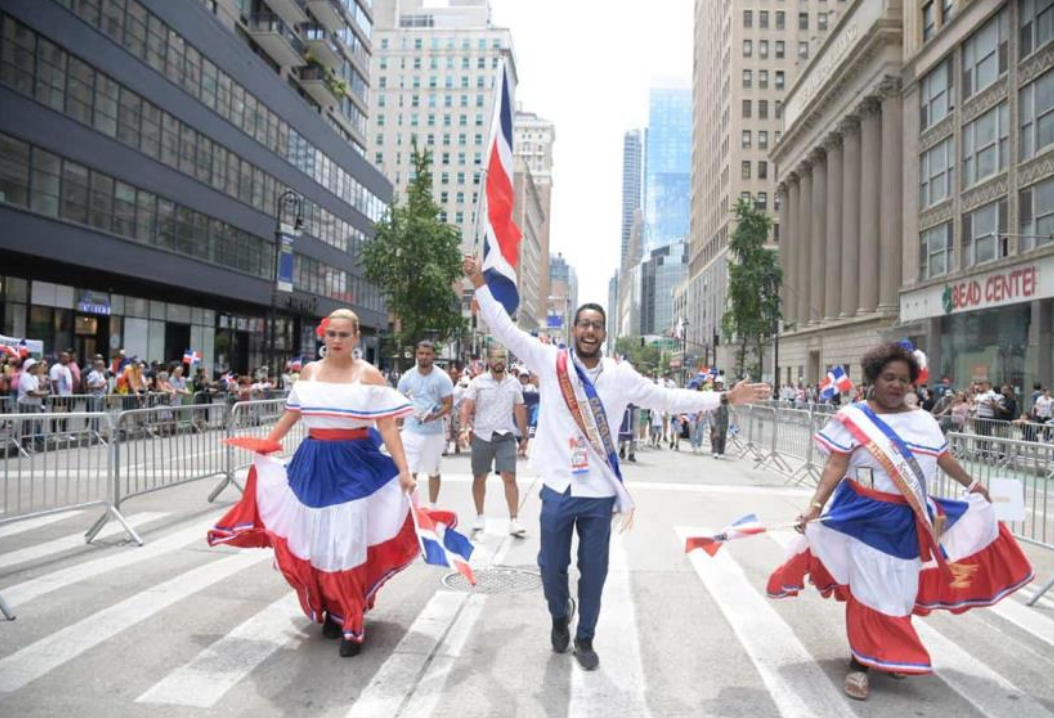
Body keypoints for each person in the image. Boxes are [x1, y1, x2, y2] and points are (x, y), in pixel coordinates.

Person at [463, 256, 771, 671]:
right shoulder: (548, 362)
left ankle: (585, 636)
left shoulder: (621, 375)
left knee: (595, 570)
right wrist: (480, 282)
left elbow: (667, 398)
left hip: (598, 493)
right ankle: (560, 614)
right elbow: (503, 326)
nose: (590, 331)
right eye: (583, 324)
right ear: (573, 330)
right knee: (551, 566)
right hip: (557, 485)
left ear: (605, 333)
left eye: (597, 325)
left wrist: (723, 398)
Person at [768, 342, 1033, 701]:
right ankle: (860, 664)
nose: (896, 385)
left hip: (908, 520)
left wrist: (972, 484)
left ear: (912, 384)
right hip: (863, 514)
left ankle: (887, 651)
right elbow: (836, 465)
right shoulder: (854, 417)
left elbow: (943, 459)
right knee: (867, 588)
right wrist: (815, 506)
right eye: (888, 377)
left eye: (903, 380)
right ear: (874, 379)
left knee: (898, 591)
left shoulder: (924, 422)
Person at [208, 309, 419, 658]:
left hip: (353, 467)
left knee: (348, 543)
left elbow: (387, 428)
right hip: (312, 464)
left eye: (343, 335)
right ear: (324, 336)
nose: (336, 341)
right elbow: (292, 414)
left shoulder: (369, 376)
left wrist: (405, 471)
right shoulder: (309, 373)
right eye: (331, 334)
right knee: (318, 543)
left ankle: (353, 622)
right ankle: (331, 611)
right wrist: (266, 445)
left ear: (356, 338)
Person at [459, 345, 529, 536]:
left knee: (510, 477)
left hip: (505, 435)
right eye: (495, 358)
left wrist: (524, 436)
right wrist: (464, 429)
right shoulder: (478, 382)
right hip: (482, 435)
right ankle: (480, 516)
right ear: (488, 360)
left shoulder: (514, 383)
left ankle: (514, 519)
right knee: (479, 477)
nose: (499, 362)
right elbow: (466, 407)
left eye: (502, 358)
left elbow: (519, 409)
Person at [397, 341, 454, 508]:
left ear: (433, 356)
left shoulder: (442, 378)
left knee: (433, 471)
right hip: (410, 431)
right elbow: (399, 402)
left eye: (427, 354)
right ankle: (409, 508)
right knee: (410, 471)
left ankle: (433, 506)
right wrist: (397, 426)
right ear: (416, 354)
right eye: (421, 353)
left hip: (434, 433)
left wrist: (433, 415)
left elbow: (448, 404)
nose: (424, 357)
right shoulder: (407, 377)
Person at [710, 393, 730, 458]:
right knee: (717, 437)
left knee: (723, 437)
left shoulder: (726, 406)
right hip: (718, 423)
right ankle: (716, 451)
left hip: (724, 423)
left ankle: (721, 452)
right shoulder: (717, 405)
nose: (724, 399)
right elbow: (713, 412)